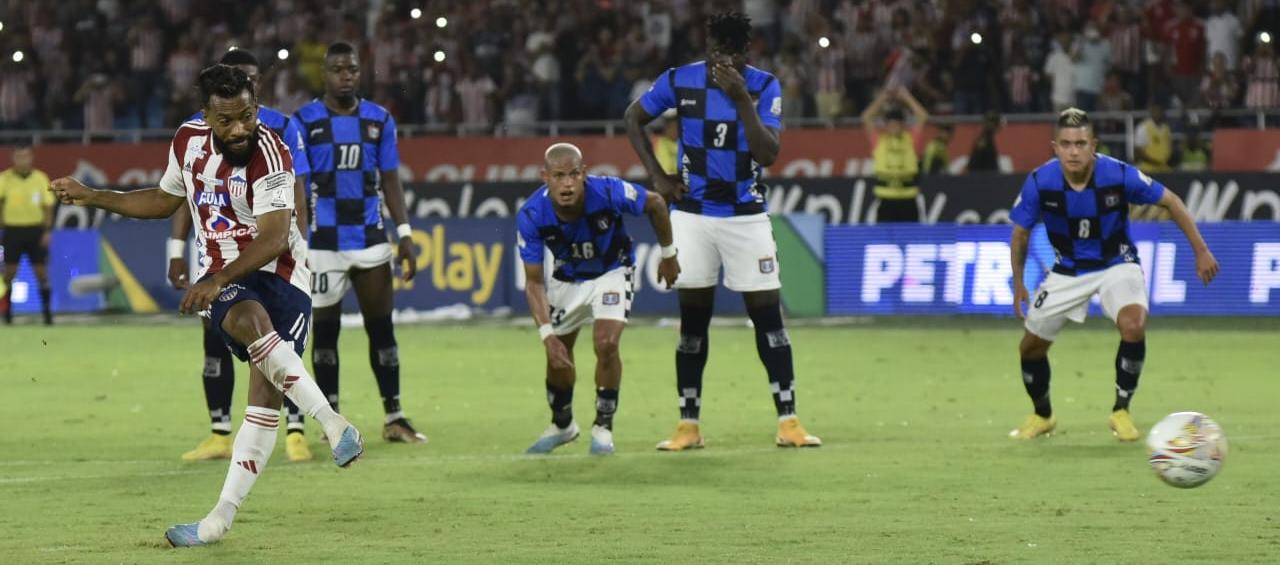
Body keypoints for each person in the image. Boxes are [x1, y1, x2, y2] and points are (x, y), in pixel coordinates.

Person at [49, 64, 363, 547]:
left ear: (255, 108)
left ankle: (218, 520)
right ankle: (333, 422)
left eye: (247, 116)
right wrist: (94, 197)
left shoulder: (272, 154)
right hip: (225, 279)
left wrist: (215, 280)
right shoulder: (187, 142)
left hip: (281, 272)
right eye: (227, 120)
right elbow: (162, 199)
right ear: (206, 116)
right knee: (249, 320)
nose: (239, 129)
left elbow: (276, 236)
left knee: (264, 401)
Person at [624, 11, 822, 451]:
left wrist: (742, 101)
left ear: (745, 52)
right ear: (707, 47)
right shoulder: (680, 80)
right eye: (716, 51)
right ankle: (687, 425)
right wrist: (657, 175)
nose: (722, 60)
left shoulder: (763, 86)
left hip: (746, 216)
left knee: (768, 318)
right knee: (693, 322)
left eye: (731, 53)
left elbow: (768, 153)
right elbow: (632, 117)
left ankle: (788, 421)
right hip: (693, 216)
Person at [1008, 108, 1219, 441]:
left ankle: (1121, 409)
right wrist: (1019, 284)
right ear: (1055, 147)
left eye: (1080, 143)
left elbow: (1173, 202)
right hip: (1067, 270)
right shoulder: (1039, 181)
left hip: (1116, 264)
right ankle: (1042, 415)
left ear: (1094, 145)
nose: (1073, 151)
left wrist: (1201, 250)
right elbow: (1020, 233)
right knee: (1030, 348)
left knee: (1133, 325)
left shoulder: (1119, 175)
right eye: (1066, 144)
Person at [168, 48, 315, 463]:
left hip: (269, 256)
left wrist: (299, 245)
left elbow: (296, 195)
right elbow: (182, 196)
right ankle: (219, 432)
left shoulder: (281, 130)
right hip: (215, 256)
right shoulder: (194, 136)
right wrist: (175, 248)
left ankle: (299, 429)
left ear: (256, 84)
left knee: (276, 344)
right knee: (219, 342)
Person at [293, 42, 426, 444]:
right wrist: (298, 242)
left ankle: (395, 417)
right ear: (325, 75)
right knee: (326, 334)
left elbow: (390, 179)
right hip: (323, 242)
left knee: (382, 328)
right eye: (337, 69)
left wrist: (404, 234)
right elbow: (298, 185)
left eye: (351, 69)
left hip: (370, 239)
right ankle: (331, 421)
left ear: (359, 72)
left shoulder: (379, 119)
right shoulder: (304, 121)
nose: (345, 75)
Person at [518, 143, 680, 455]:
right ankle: (562, 424)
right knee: (558, 356)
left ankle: (603, 427)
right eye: (559, 176)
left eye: (574, 175)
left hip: (612, 270)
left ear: (584, 174)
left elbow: (657, 203)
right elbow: (534, 282)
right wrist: (546, 335)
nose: (567, 183)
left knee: (606, 343)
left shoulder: (608, 192)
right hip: (567, 279)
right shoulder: (532, 214)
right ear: (545, 177)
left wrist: (669, 254)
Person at [0, 145, 54, 325]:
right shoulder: (5, 179)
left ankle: (47, 315)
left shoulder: (40, 178)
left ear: (31, 157)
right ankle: (8, 315)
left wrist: (47, 231)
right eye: (18, 156)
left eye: (25, 156)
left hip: (35, 231)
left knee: (41, 272)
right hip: (12, 231)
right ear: (13, 158)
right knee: (9, 273)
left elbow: (48, 207)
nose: (22, 160)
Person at [860, 86, 929, 222]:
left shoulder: (911, 140)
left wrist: (906, 97)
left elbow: (923, 116)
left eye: (897, 124)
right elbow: (866, 118)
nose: (894, 127)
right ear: (885, 126)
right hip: (886, 200)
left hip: (908, 199)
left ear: (903, 125)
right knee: (885, 241)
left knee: (910, 240)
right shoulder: (879, 140)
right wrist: (883, 98)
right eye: (891, 124)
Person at [1135, 103, 1173, 173]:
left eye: (1160, 111)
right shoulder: (1143, 127)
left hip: (1163, 168)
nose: (1158, 114)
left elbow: (1169, 147)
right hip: (1147, 169)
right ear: (1152, 112)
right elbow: (1138, 151)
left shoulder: (1166, 128)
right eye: (1156, 111)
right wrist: (1155, 162)